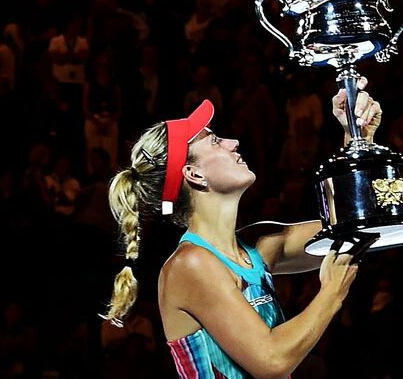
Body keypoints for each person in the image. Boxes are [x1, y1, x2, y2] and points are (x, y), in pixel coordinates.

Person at [102, 79, 382, 377]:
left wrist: (356, 138)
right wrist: (332, 293)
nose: (233, 142)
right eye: (213, 140)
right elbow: (272, 361)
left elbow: (353, 226)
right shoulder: (190, 265)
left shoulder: (258, 245)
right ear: (193, 173)